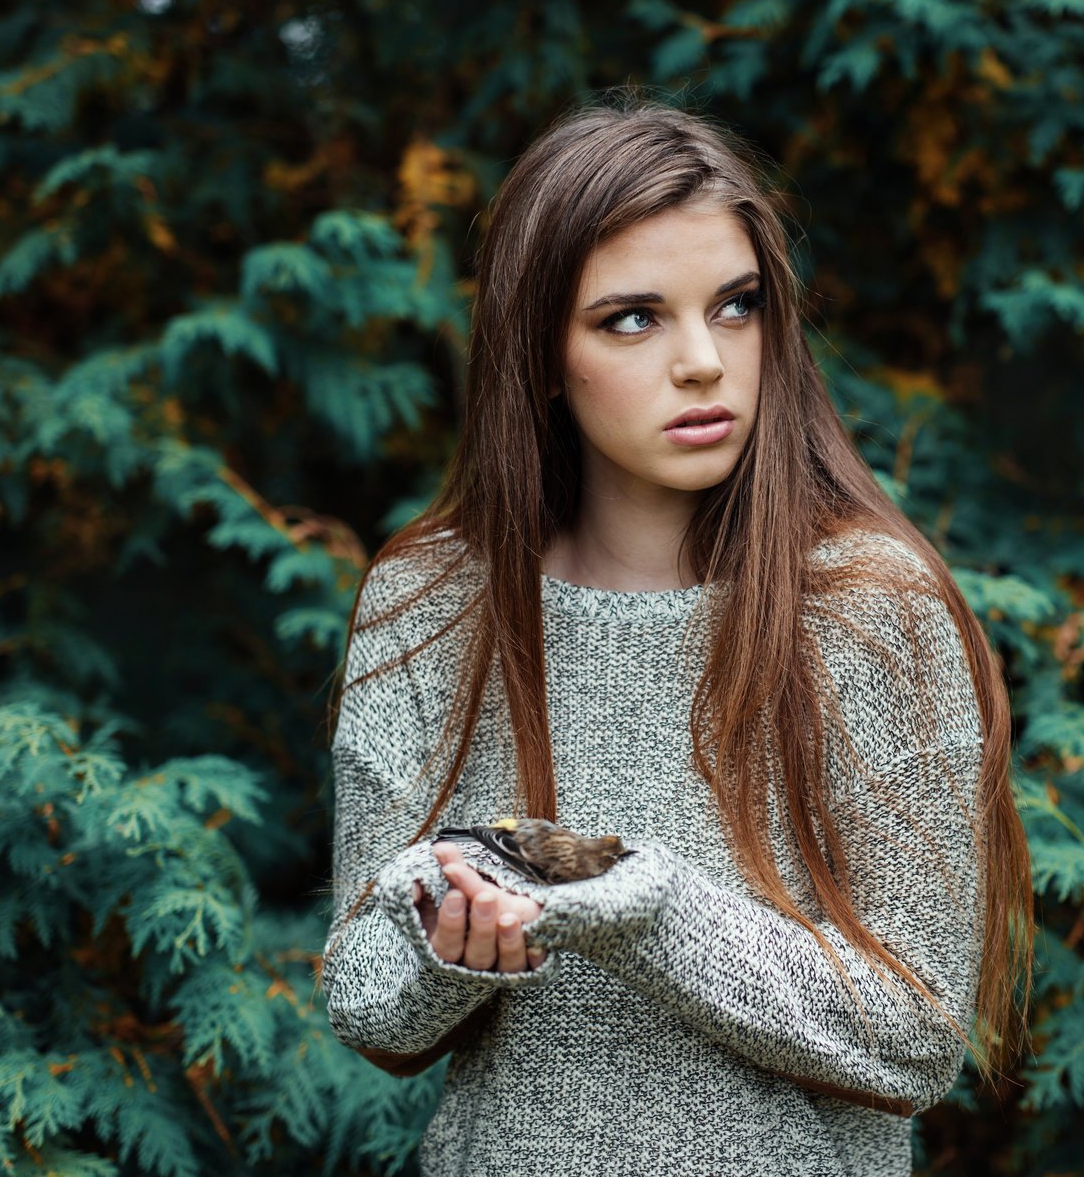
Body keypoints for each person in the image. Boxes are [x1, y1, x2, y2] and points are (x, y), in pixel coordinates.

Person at [318, 89, 1033, 1176]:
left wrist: (648, 910)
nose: (704, 359)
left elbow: (918, 1034)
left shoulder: (869, 606)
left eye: (736, 305)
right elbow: (367, 1002)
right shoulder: (431, 600)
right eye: (634, 317)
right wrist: (449, 940)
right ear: (540, 352)